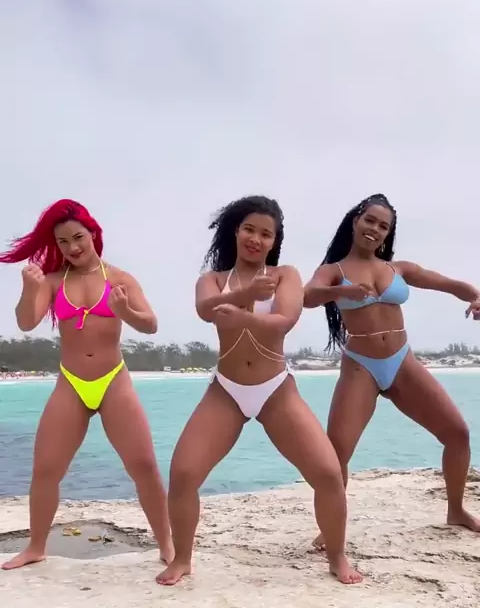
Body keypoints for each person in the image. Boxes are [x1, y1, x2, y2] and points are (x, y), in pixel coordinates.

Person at [156, 195, 362, 587]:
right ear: (236, 231)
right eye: (249, 229)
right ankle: (182, 559)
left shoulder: (284, 275)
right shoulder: (212, 280)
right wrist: (243, 297)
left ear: (274, 241)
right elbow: (206, 308)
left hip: (275, 389)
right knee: (183, 473)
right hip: (226, 390)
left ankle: (337, 556)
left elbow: (284, 320)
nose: (256, 238)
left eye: (266, 234)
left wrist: (243, 314)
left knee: (327, 473)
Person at [0, 199, 173, 569]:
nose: (72, 247)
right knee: (46, 469)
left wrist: (125, 311)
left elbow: (151, 324)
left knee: (143, 465)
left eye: (78, 237)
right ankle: (35, 547)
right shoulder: (52, 281)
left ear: (93, 233)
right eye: (63, 242)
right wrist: (29, 289)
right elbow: (26, 323)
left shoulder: (120, 278)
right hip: (71, 383)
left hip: (113, 381)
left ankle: (167, 544)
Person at [304, 192, 480, 550]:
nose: (375, 229)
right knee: (336, 454)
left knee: (458, 433)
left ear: (388, 233)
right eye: (370, 220)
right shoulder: (333, 271)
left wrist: (475, 297)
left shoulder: (398, 269)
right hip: (360, 366)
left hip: (402, 361)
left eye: (383, 226)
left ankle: (456, 510)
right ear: (356, 221)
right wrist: (343, 290)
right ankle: (330, 528)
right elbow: (307, 297)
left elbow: (450, 284)